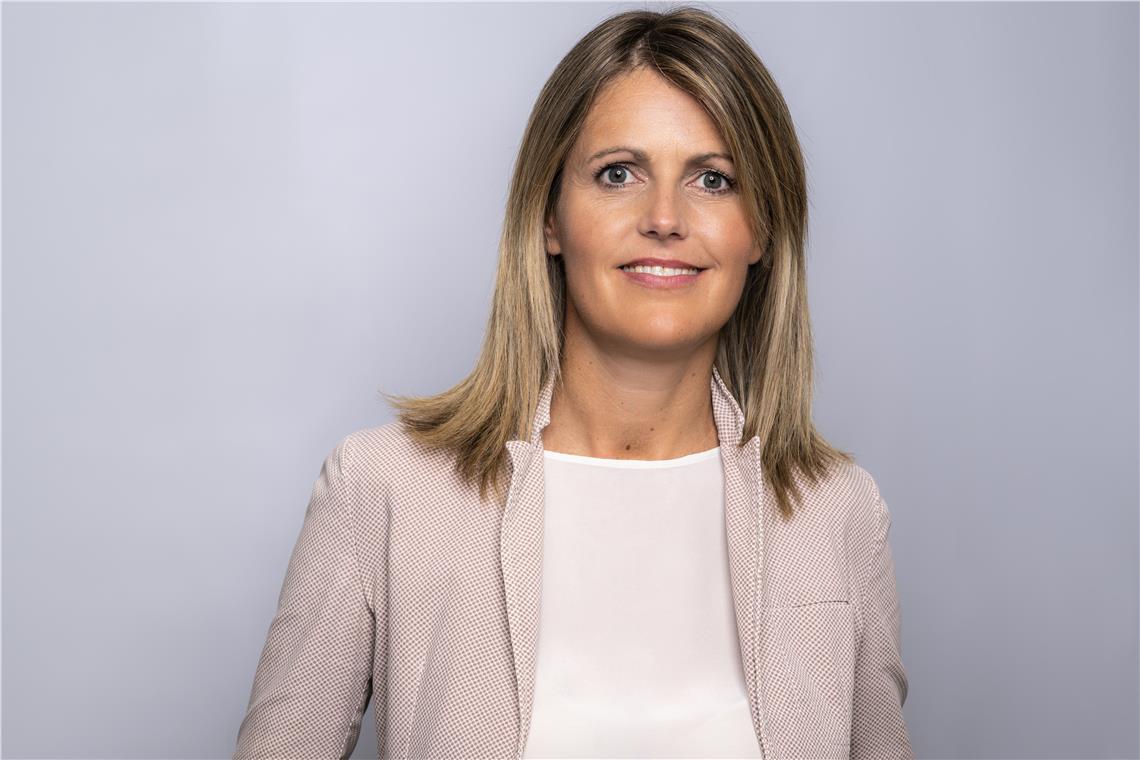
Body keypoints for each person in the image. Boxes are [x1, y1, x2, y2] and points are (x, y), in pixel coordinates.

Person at [233, 6, 913, 759]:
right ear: (550, 215)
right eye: (618, 174)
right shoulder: (384, 489)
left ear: (761, 231)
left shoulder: (839, 514)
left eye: (713, 179)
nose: (664, 218)